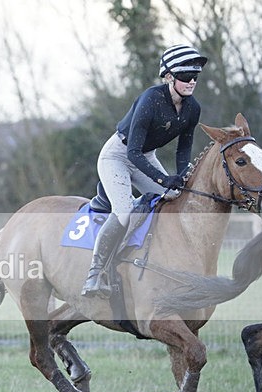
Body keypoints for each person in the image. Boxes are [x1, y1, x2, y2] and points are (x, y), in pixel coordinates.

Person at [81, 44, 208, 298]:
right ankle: (95, 274)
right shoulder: (151, 99)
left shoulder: (193, 109)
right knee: (124, 210)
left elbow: (183, 152)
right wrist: (163, 178)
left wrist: (181, 179)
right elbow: (132, 153)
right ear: (169, 76)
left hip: (145, 156)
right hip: (118, 155)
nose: (191, 81)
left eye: (195, 76)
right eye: (185, 76)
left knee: (175, 200)